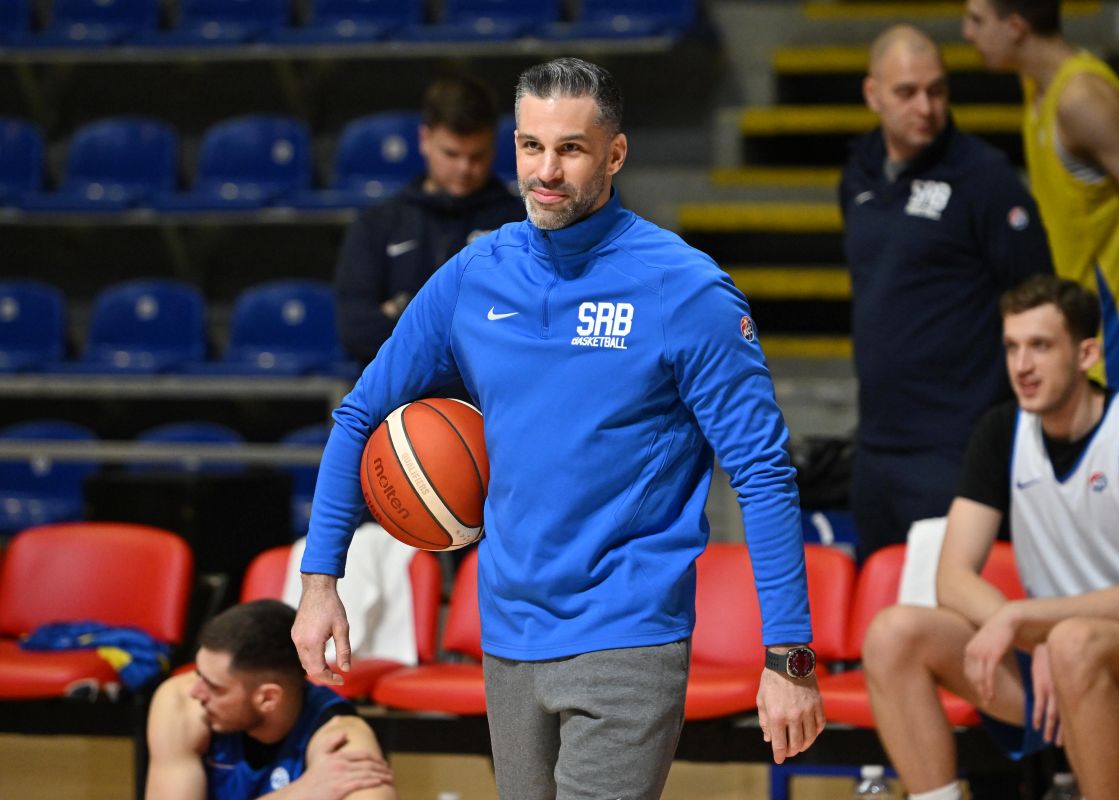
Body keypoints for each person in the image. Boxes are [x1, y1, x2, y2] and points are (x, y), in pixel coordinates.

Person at [293, 57, 824, 799]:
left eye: (571, 148)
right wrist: (320, 582)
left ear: (615, 153)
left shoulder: (685, 288)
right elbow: (359, 414)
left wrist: (789, 657)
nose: (546, 171)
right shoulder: (476, 274)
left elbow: (763, 472)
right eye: (530, 146)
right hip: (505, 636)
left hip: (627, 635)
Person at [861, 275, 1119, 800]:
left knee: (1076, 642)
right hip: (1044, 655)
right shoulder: (1001, 431)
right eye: (1013, 347)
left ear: (1086, 353)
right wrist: (1032, 636)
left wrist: (1028, 621)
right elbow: (952, 576)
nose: (1022, 366)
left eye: (1040, 346)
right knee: (892, 633)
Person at [840, 23, 1053, 562]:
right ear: (873, 95)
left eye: (936, 91)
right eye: (907, 92)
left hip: (957, 447)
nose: (926, 107)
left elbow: (1037, 300)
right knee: (881, 625)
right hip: (877, 443)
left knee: (950, 624)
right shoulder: (858, 174)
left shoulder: (985, 178)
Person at [963, 0, 1119, 449]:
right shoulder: (1036, 85)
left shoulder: (1082, 100)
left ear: (1016, 27)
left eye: (977, 20)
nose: (967, 33)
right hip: (1086, 357)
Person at [333, 74, 526, 368]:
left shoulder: (521, 223)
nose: (464, 168)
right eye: (451, 153)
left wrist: (400, 312)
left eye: (477, 155)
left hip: (490, 402)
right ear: (424, 140)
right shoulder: (377, 224)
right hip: (395, 405)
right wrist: (468, 324)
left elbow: (528, 326)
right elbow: (356, 332)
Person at [145, 599, 396, 800]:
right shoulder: (180, 704)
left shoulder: (342, 740)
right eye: (198, 674)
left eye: (214, 686)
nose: (195, 692)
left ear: (267, 698)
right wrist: (298, 794)